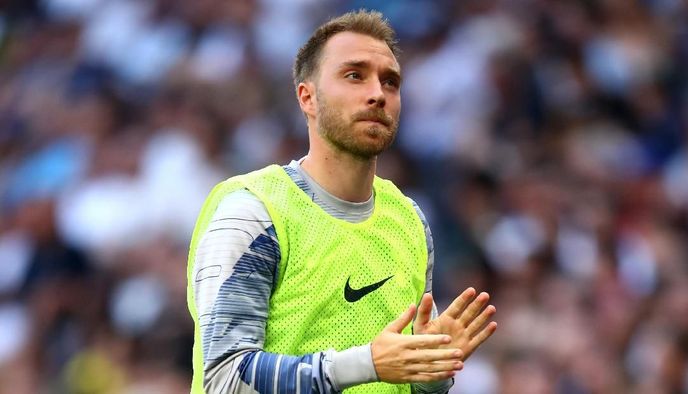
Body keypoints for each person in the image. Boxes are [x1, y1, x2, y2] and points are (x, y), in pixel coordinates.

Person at [186, 9, 497, 394]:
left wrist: (430, 375)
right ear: (308, 98)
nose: (377, 94)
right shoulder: (253, 213)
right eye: (354, 75)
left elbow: (396, 380)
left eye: (391, 82)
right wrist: (367, 363)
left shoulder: (409, 221)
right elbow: (225, 379)